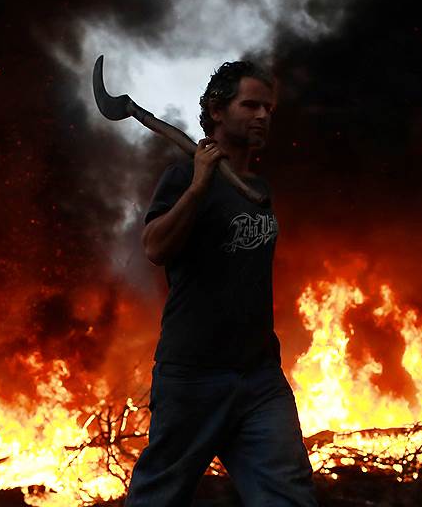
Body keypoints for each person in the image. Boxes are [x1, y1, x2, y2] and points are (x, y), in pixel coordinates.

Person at [125, 61, 317, 506]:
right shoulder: (183, 177)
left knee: (288, 495)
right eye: (250, 105)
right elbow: (155, 247)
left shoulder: (258, 188)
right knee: (158, 498)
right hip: (193, 378)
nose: (263, 116)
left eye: (268, 108)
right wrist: (198, 187)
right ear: (216, 110)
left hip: (259, 377)